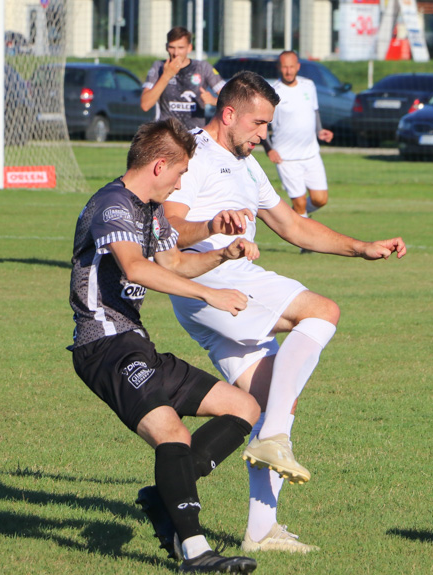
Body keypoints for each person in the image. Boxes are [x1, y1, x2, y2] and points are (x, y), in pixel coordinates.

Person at [162, 71, 407, 553]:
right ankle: (273, 437)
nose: (263, 134)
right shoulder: (192, 153)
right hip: (212, 280)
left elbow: (293, 226)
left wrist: (361, 248)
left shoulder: (247, 162)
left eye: (268, 126)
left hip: (222, 291)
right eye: (257, 123)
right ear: (228, 114)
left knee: (273, 398)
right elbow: (169, 226)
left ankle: (259, 529)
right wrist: (214, 226)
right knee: (322, 311)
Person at [69, 118, 262, 573]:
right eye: (179, 175)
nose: (179, 185)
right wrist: (211, 294)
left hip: (135, 343)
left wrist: (221, 254)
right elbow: (136, 269)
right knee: (171, 433)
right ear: (159, 166)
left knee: (243, 408)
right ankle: (195, 553)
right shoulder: (112, 206)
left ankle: (163, 496)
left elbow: (171, 263)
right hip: (104, 347)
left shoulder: (148, 209)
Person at [262, 51, 333, 220]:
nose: (288, 71)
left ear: (298, 67)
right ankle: (304, 242)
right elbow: (262, 122)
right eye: (284, 67)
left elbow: (314, 111)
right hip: (286, 157)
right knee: (300, 202)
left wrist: (320, 130)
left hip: (311, 154)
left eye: (291, 67)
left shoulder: (308, 85)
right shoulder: (273, 91)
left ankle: (295, 219)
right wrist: (268, 149)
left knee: (320, 199)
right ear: (279, 67)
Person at [141, 27, 226, 130]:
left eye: (180, 48)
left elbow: (232, 100)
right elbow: (145, 105)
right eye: (172, 47)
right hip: (166, 136)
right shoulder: (159, 67)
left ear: (189, 48)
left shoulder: (202, 68)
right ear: (166, 47)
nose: (176, 53)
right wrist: (166, 75)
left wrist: (213, 101)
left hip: (194, 138)